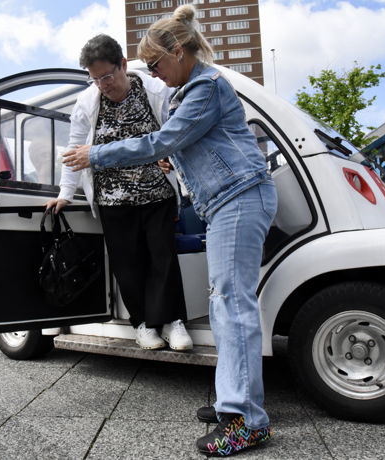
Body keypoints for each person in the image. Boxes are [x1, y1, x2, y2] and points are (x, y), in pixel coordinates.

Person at [62, 5, 276, 456]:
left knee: (232, 306)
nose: (155, 75)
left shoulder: (205, 86)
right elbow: (185, 145)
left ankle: (247, 420)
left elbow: (164, 138)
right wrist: (172, 161)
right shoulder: (190, 88)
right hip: (226, 201)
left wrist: (96, 155)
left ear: (178, 52)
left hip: (239, 197)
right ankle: (230, 402)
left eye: (156, 64)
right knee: (224, 307)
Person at [44, 34, 193, 351]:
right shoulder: (86, 103)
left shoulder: (155, 91)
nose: (102, 84)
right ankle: (142, 324)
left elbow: (177, 135)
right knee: (128, 263)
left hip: (157, 193)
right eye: (95, 79)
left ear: (123, 65)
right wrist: (65, 193)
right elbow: (74, 151)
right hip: (113, 200)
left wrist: (174, 162)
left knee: (162, 259)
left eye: (107, 76)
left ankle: (172, 322)